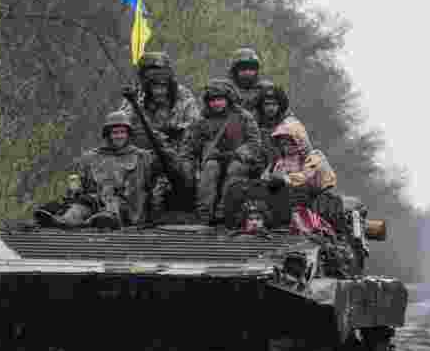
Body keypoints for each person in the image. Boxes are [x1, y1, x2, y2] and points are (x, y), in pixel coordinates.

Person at [34, 111, 175, 229]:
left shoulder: (142, 157)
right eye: (115, 132)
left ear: (128, 134)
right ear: (108, 134)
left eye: (122, 132)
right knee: (80, 208)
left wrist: (160, 142)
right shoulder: (91, 157)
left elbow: (167, 170)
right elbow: (77, 186)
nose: (119, 136)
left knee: (112, 207)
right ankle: (65, 221)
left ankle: (104, 219)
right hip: (94, 202)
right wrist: (74, 192)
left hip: (125, 208)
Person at [118, 51, 201, 215]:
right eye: (149, 73)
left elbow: (195, 123)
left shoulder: (181, 94)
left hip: (176, 148)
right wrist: (134, 104)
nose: (155, 78)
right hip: (144, 149)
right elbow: (121, 124)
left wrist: (173, 130)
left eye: (159, 71)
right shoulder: (137, 95)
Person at [181, 78, 260, 225]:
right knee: (210, 168)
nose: (216, 103)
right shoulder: (202, 120)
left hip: (239, 160)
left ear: (228, 99)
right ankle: (204, 213)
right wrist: (187, 167)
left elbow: (254, 143)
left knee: (234, 169)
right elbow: (189, 147)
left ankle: (224, 210)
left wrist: (240, 153)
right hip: (213, 159)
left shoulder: (243, 117)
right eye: (212, 100)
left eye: (219, 99)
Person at [261, 119, 338, 236]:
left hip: (314, 197)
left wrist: (284, 179)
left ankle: (307, 225)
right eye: (282, 143)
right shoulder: (280, 162)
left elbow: (306, 176)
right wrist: (269, 181)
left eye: (289, 142)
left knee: (298, 194)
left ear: (299, 141)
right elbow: (267, 178)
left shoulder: (314, 156)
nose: (286, 146)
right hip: (287, 200)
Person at [253, 79, 302, 173]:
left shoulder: (291, 124)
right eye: (267, 104)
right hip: (260, 164)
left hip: (288, 165)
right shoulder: (254, 122)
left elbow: (304, 148)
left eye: (274, 104)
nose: (270, 108)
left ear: (280, 105)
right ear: (261, 106)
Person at [227, 47, 263, 114]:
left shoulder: (265, 90)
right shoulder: (225, 91)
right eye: (243, 69)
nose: (247, 72)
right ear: (234, 71)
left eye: (252, 69)